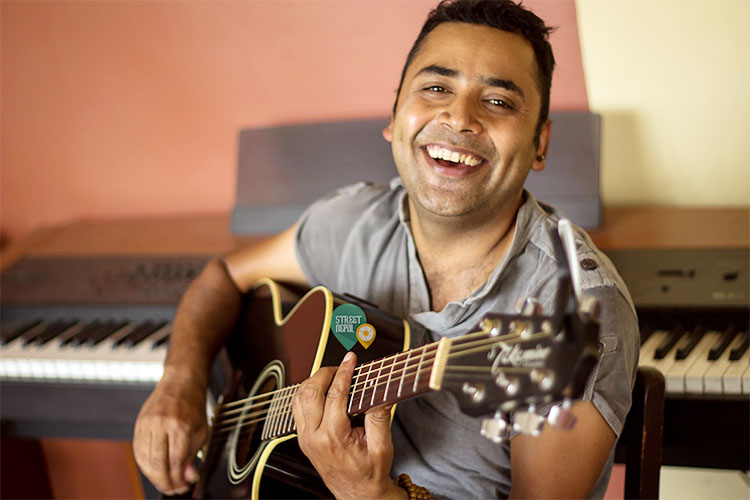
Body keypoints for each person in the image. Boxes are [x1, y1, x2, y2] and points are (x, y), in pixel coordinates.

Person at [133, 0, 639, 498]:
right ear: (395, 115)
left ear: (540, 143)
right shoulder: (352, 222)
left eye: (499, 101)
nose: (459, 117)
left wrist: (370, 495)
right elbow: (223, 277)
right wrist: (180, 380)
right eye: (436, 88)